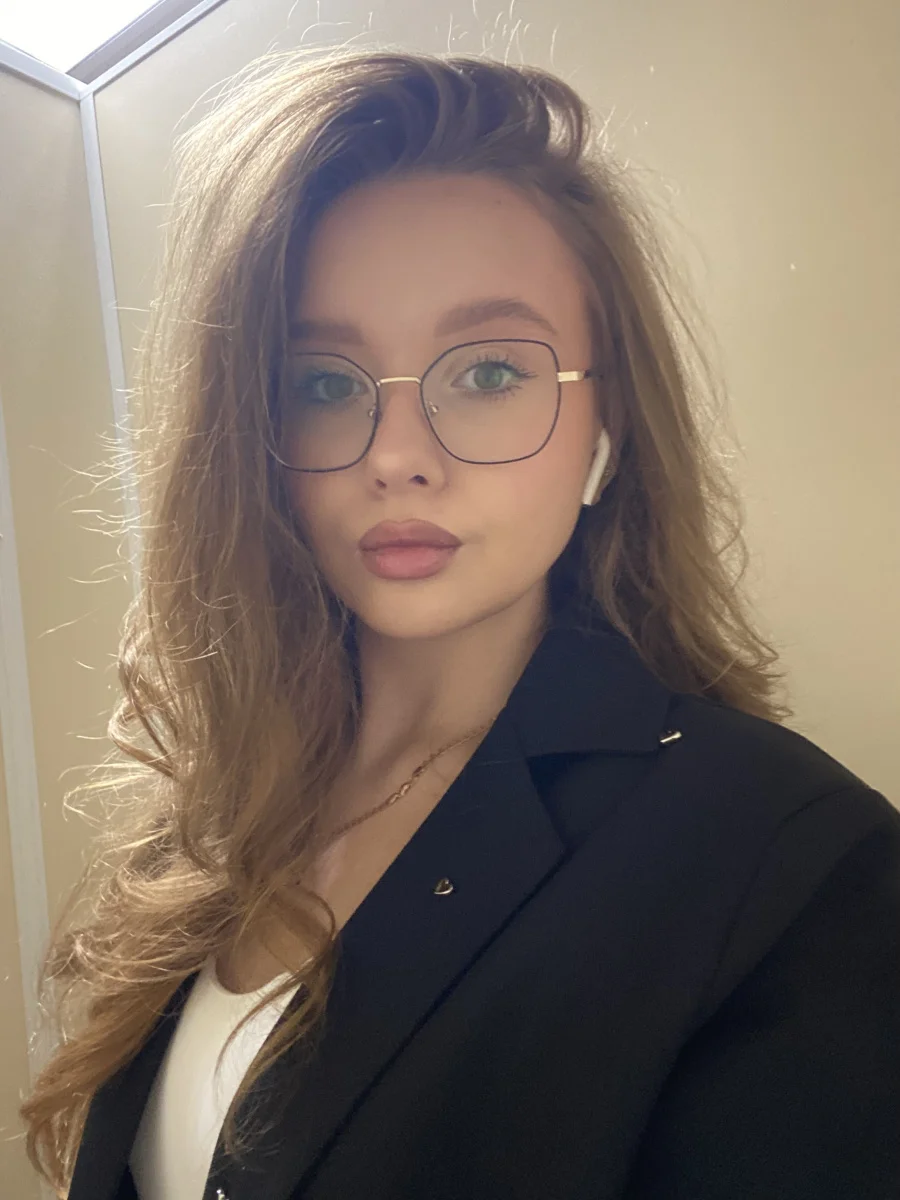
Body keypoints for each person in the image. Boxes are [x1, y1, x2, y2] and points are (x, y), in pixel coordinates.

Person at [21, 47, 900, 1200]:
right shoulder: (220, 807)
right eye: (324, 382)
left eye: (487, 372)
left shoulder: (785, 861)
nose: (396, 457)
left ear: (610, 421)